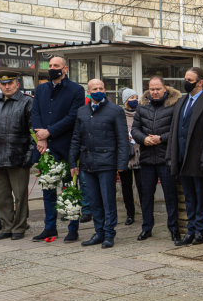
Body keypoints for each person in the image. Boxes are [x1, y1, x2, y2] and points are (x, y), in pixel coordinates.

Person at [69, 79, 129, 248]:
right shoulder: (81, 112)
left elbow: (122, 139)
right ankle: (99, 232)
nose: (98, 91)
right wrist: (73, 161)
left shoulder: (115, 110)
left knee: (108, 200)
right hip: (87, 163)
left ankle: (109, 233)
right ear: (88, 92)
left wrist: (121, 163)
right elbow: (76, 138)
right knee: (94, 201)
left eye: (101, 88)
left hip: (107, 162)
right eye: (94, 88)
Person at [32, 56, 86, 242]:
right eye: (51, 66)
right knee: (48, 189)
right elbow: (35, 112)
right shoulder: (41, 88)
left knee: (69, 188)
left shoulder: (76, 90)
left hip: (66, 146)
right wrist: (41, 137)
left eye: (56, 66)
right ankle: (49, 227)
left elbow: (73, 116)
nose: (53, 68)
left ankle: (72, 227)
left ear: (65, 68)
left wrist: (50, 132)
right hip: (45, 148)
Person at [167, 67, 203, 246]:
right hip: (182, 157)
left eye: (189, 80)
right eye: (185, 79)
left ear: (200, 82)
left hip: (198, 158)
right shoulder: (181, 101)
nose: (185, 82)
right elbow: (175, 129)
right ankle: (190, 230)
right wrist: (172, 155)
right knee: (188, 196)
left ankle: (200, 231)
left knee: (201, 195)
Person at [0, 71, 35, 241]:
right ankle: (6, 226)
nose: (7, 86)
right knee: (1, 196)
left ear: (17, 83)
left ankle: (19, 227)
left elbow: (33, 132)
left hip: (18, 156)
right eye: (3, 84)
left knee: (20, 195)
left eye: (10, 83)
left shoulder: (27, 102)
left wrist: (30, 155)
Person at [131, 76, 181, 242]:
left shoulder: (174, 106)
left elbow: (177, 130)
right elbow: (135, 129)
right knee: (146, 196)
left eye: (158, 89)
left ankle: (174, 229)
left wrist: (162, 138)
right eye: (152, 89)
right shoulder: (142, 107)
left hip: (166, 158)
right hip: (146, 159)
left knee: (170, 196)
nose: (155, 92)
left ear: (165, 88)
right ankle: (147, 228)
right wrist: (144, 139)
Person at [118, 88, 142, 226]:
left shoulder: (141, 113)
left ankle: (145, 210)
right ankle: (130, 214)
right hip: (125, 156)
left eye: (136, 97)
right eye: (131, 98)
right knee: (126, 187)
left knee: (142, 185)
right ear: (125, 101)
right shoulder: (120, 115)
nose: (135, 100)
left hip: (139, 154)